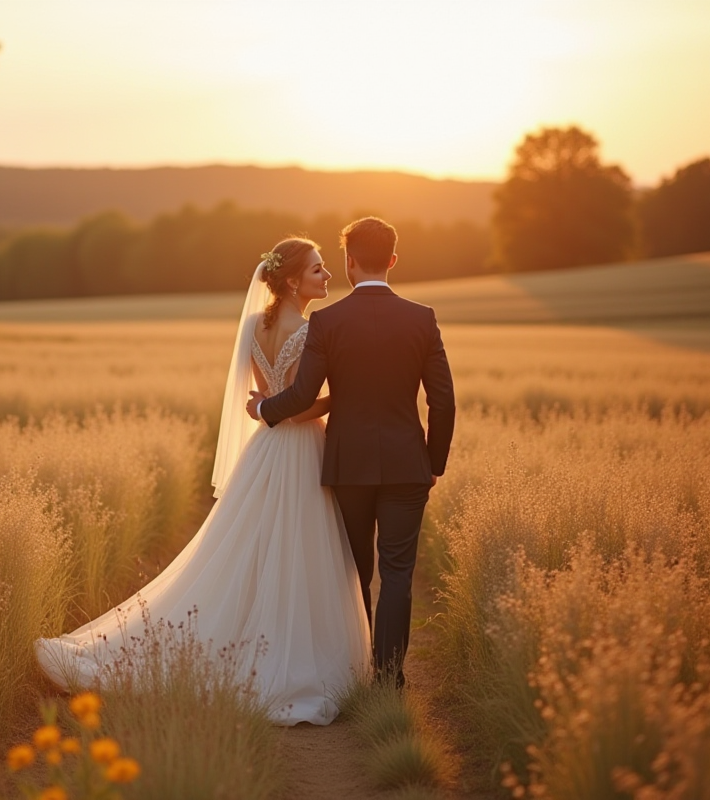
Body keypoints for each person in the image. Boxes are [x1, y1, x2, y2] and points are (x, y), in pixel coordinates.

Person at [35, 237, 371, 726]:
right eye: (318, 270)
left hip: (264, 449)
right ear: (294, 280)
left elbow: (267, 400)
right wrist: (338, 401)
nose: (327, 277)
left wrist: (264, 408)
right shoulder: (313, 327)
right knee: (296, 547)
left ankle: (244, 632)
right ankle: (285, 654)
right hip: (300, 449)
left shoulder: (257, 326)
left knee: (250, 546)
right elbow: (298, 406)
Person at [249, 217, 455, 689]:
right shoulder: (422, 318)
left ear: (348, 262)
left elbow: (301, 396)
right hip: (408, 465)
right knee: (399, 572)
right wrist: (433, 463)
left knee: (355, 570)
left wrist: (263, 408)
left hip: (347, 464)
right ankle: (387, 679)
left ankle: (355, 665)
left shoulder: (327, 320)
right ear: (394, 261)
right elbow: (443, 401)